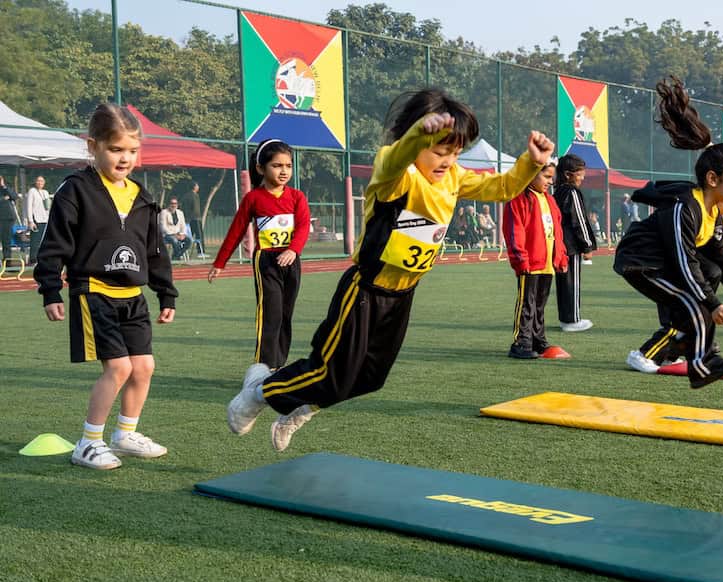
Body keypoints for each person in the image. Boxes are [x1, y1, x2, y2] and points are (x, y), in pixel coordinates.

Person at [226, 88, 554, 452]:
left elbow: (503, 187)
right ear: (416, 140)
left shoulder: (454, 177)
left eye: (456, 152)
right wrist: (417, 138)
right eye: (439, 150)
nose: (448, 160)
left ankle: (300, 409)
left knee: (370, 378)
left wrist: (531, 162)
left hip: (401, 295)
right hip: (365, 291)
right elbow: (393, 160)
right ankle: (257, 392)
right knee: (328, 371)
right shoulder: (397, 174)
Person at [34, 103, 178, 469]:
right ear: (92, 146)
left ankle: (125, 434)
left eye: (132, 150)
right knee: (118, 368)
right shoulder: (76, 190)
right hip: (94, 292)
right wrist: (51, 289)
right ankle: (88, 442)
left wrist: (166, 292)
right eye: (116, 149)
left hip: (133, 298)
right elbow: (55, 243)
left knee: (143, 367)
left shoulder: (142, 197)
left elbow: (154, 251)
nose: (125, 157)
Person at [613, 77, 723, 389]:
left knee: (714, 270)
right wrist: (712, 301)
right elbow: (683, 261)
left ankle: (685, 348)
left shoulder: (714, 217)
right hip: (641, 262)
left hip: (664, 264)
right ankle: (702, 363)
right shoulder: (685, 208)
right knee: (696, 303)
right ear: (712, 178)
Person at [626, 218, 723, 373]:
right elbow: (690, 252)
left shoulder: (716, 218)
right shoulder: (688, 211)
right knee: (682, 320)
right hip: (651, 262)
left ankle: (669, 354)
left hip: (679, 266)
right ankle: (642, 355)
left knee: (711, 275)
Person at [208, 139, 311, 370]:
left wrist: (293, 250)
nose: (284, 171)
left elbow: (304, 227)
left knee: (285, 314)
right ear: (260, 168)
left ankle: (279, 365)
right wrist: (220, 262)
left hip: (292, 262)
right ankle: (263, 367)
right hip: (266, 262)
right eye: (277, 165)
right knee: (270, 313)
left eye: (288, 165)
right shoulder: (253, 199)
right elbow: (236, 231)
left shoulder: (297, 197)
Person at [503, 160, 569, 359]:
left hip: (547, 263)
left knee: (539, 304)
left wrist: (561, 257)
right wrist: (520, 259)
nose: (551, 181)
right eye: (546, 177)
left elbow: (558, 231)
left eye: (552, 177)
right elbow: (515, 232)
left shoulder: (550, 200)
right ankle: (521, 342)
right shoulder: (519, 199)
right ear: (531, 173)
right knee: (526, 303)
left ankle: (538, 340)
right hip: (530, 263)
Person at [554, 154, 596, 332]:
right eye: (579, 173)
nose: (583, 177)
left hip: (560, 245)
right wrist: (587, 246)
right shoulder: (572, 192)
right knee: (572, 282)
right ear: (567, 174)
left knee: (563, 283)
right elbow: (578, 220)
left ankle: (566, 319)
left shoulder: (558, 192)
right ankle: (573, 320)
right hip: (571, 246)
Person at [26, 176, 51, 265]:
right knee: (35, 241)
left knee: (44, 241)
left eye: (42, 181)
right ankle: (33, 260)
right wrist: (30, 220)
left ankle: (43, 258)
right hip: (36, 219)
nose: (40, 183)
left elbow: (48, 207)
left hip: (45, 220)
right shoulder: (32, 191)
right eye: (38, 181)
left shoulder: (46, 192)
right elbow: (29, 206)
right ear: (35, 182)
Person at [0, 176, 20, 261]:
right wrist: (4, 199)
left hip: (7, 218)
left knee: (6, 241)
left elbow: (15, 196)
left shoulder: (6, 187)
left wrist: (3, 185)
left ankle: (7, 263)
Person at [183, 181, 205, 256]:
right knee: (199, 235)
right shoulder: (194, 196)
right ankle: (201, 252)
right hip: (195, 219)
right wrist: (197, 217)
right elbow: (195, 208)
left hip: (189, 219)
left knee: (188, 236)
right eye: (197, 186)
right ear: (194, 187)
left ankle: (182, 251)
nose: (198, 187)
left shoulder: (186, 195)